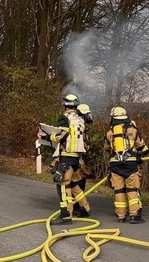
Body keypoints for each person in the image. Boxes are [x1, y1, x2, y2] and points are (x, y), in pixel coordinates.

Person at [39, 93, 91, 224]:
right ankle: (85, 208)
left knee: (62, 184)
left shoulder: (64, 118)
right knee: (73, 183)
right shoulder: (80, 120)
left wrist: (45, 137)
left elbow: (62, 136)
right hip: (76, 159)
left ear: (65, 106)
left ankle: (66, 215)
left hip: (66, 157)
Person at [104, 106, 149, 224]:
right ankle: (134, 215)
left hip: (115, 165)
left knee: (119, 191)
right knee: (132, 189)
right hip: (130, 164)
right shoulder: (133, 130)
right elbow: (140, 144)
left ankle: (121, 216)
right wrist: (147, 154)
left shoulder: (110, 132)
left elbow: (106, 148)